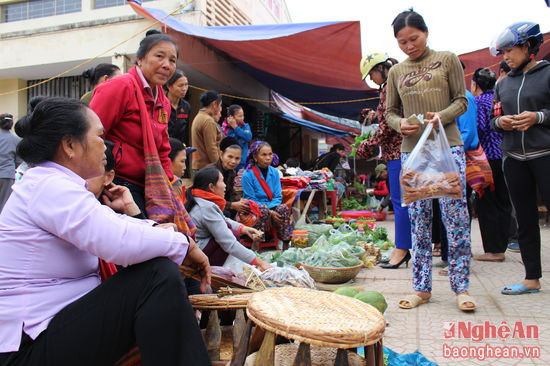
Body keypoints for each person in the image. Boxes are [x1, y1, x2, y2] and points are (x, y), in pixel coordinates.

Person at [0, 97, 210, 366]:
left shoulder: (56, 184)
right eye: (99, 136)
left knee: (156, 272)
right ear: (70, 145)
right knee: (157, 276)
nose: (105, 145)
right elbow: (116, 241)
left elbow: (114, 226)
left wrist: (161, 232)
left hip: (52, 330)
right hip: (27, 348)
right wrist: (182, 243)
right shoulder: (48, 185)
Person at [385, 10, 475, 311]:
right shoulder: (396, 72)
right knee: (419, 220)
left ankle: (461, 288)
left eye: (414, 38)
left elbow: (461, 100)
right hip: (413, 151)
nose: (409, 46)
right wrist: (401, 125)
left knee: (456, 218)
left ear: (426, 32)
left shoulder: (448, 59)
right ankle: (421, 289)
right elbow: (390, 112)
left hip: (448, 147)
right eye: (402, 42)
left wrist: (442, 116)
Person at [90, 31, 188, 229]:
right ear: (140, 59)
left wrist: (168, 184)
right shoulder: (120, 87)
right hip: (116, 185)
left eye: (172, 60)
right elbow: (90, 137)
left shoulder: (163, 102)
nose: (167, 65)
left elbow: (162, 149)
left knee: (175, 236)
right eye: (159, 56)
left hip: (148, 186)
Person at [489, 22, 550, 295]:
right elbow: (493, 119)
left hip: (545, 154)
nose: (506, 57)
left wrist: (538, 117)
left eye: (510, 50)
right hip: (513, 156)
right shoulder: (503, 84)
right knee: (524, 218)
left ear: (528, 47)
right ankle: (531, 278)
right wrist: (502, 122)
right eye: (503, 52)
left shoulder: (547, 74)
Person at [357, 51, 412, 269]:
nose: (371, 79)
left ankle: (402, 249)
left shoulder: (390, 86)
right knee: (404, 202)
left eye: (371, 74)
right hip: (399, 151)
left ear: (380, 68)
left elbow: (388, 125)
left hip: (397, 152)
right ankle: (404, 247)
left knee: (400, 203)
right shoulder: (395, 83)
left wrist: (367, 145)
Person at [186, 167, 271, 271]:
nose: (225, 186)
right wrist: (259, 262)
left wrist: (243, 228)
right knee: (231, 235)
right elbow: (228, 243)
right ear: (211, 187)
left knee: (232, 231)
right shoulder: (206, 207)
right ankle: (212, 271)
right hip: (198, 255)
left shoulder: (201, 201)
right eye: (222, 181)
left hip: (197, 249)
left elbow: (222, 219)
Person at [470, 68, 514, 262]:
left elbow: (477, 130)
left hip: (486, 159)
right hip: (505, 155)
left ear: (476, 84)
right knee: (504, 201)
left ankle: (493, 250)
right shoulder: (499, 100)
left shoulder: (477, 103)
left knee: (486, 202)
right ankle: (502, 246)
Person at [241, 141, 293, 245]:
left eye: (270, 154)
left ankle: (285, 243)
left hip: (272, 206)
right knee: (263, 210)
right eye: (264, 155)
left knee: (283, 208)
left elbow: (278, 196)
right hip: (254, 209)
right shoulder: (247, 174)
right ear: (255, 157)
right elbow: (250, 199)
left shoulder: (274, 172)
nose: (268, 158)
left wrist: (270, 210)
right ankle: (256, 244)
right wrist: (268, 211)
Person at [207, 136, 247, 218]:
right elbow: (207, 198)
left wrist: (241, 202)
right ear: (221, 155)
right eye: (230, 157)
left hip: (223, 206)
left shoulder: (232, 172)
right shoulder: (210, 172)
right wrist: (231, 205)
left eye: (237, 158)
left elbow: (231, 193)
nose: (233, 161)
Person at [191, 90, 223, 173]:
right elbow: (212, 148)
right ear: (214, 104)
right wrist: (219, 168)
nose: (220, 108)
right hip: (207, 167)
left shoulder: (199, 116)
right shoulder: (208, 121)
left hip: (200, 166)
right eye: (220, 105)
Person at [0, 114, 20, 213]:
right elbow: (19, 161)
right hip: (7, 175)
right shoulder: (16, 140)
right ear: (11, 125)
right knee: (4, 203)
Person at [222, 105, 253, 171]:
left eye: (243, 115)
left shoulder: (245, 126)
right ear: (231, 117)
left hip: (241, 162)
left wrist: (236, 127)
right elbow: (231, 142)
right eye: (240, 116)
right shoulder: (225, 128)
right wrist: (233, 128)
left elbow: (248, 137)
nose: (242, 118)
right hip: (228, 162)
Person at [165, 70, 191, 145]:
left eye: (186, 85)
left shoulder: (186, 106)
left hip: (180, 150)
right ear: (169, 86)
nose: (184, 89)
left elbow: (186, 133)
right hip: (163, 149)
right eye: (180, 85)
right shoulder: (160, 104)